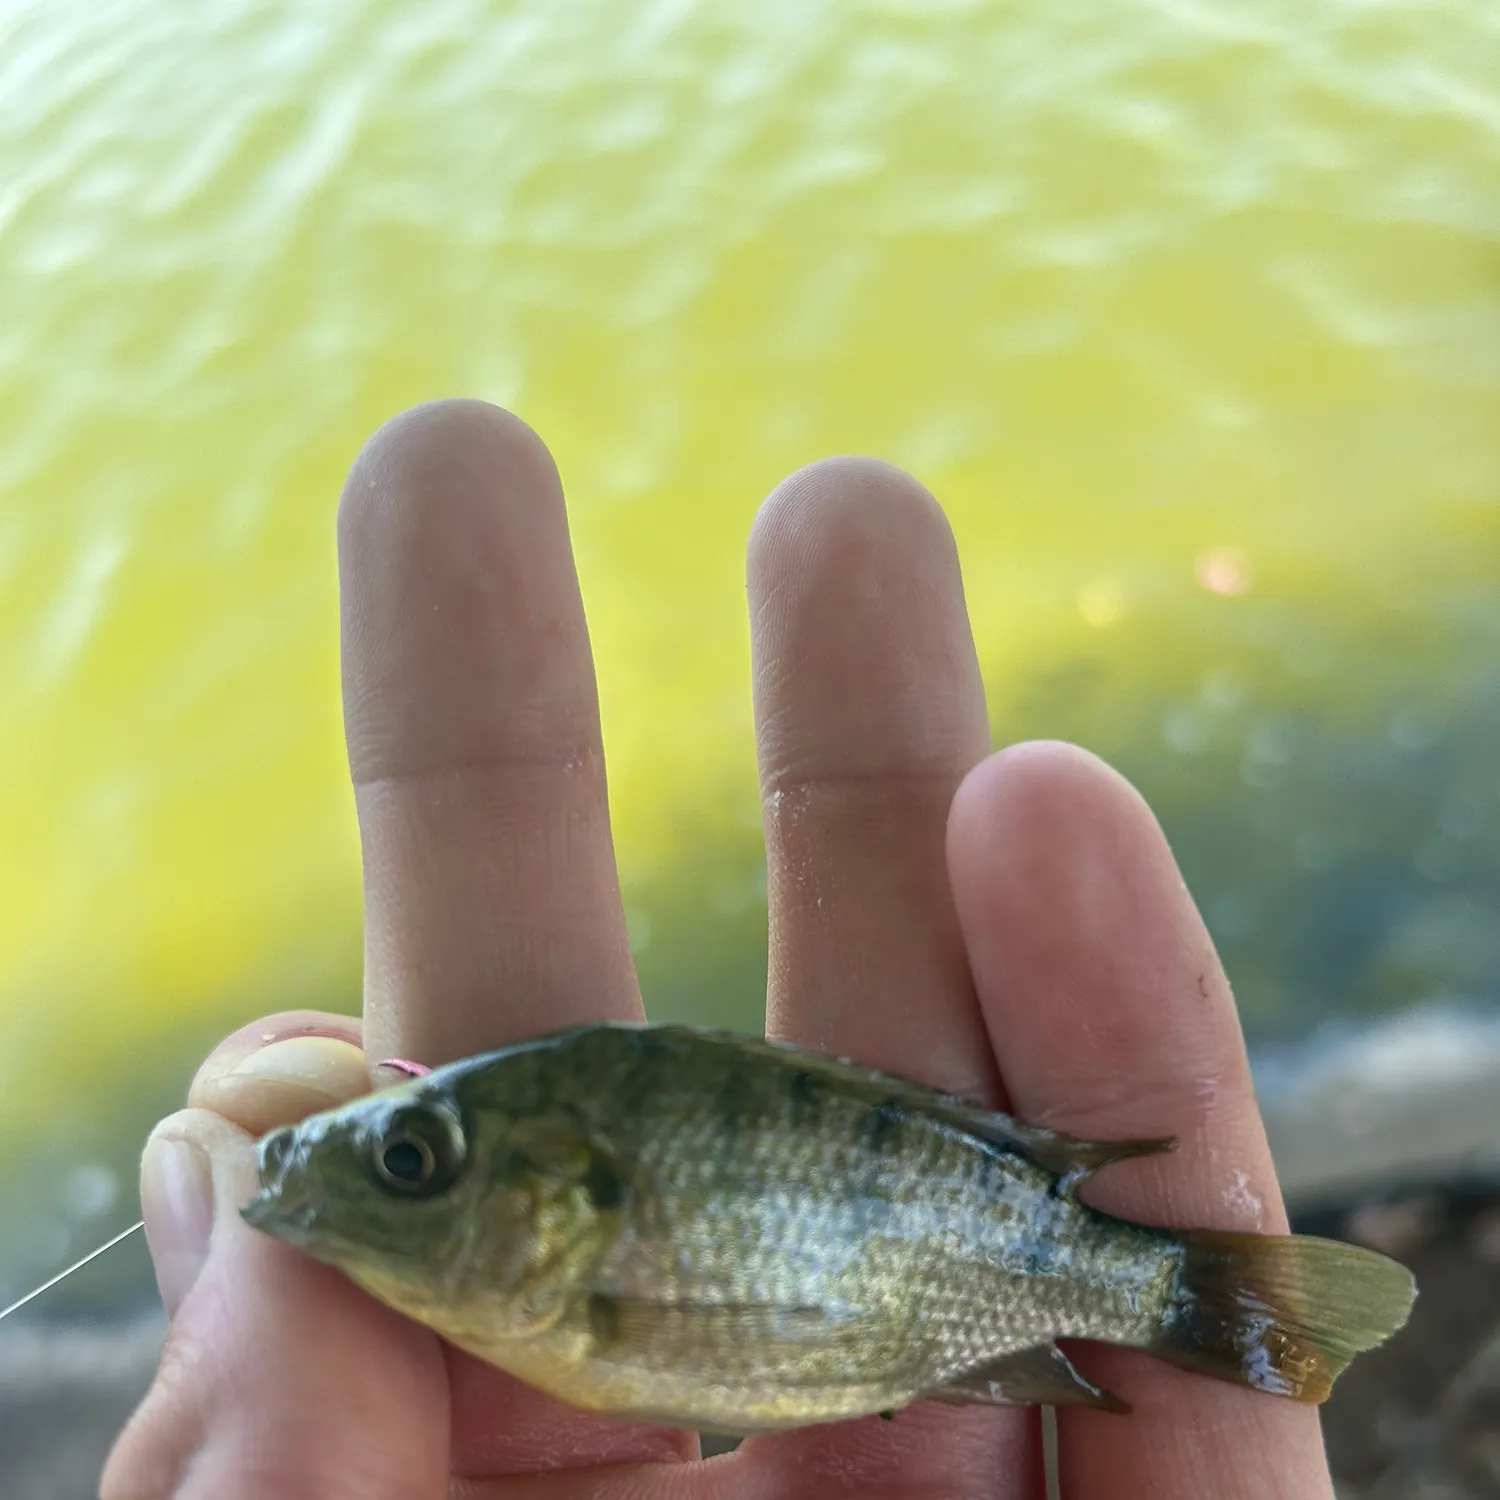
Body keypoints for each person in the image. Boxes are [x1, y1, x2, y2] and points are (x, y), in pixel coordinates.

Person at [100, 400, 1337, 1499]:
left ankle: (1191, 1295)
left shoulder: (559, 1302)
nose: (376, 1173)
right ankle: (1206, 1299)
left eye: (413, 1160)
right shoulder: (527, 1298)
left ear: (561, 1201)